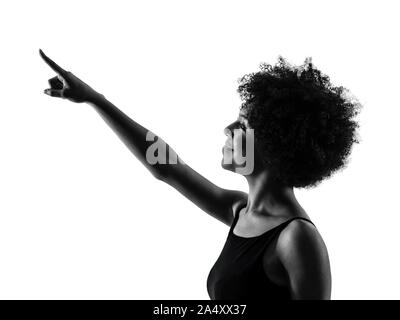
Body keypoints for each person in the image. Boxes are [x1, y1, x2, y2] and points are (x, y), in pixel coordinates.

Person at [39, 49, 360, 300]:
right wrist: (96, 99)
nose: (228, 129)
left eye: (244, 125)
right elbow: (167, 167)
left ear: (277, 145)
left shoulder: (297, 239)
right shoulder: (240, 210)